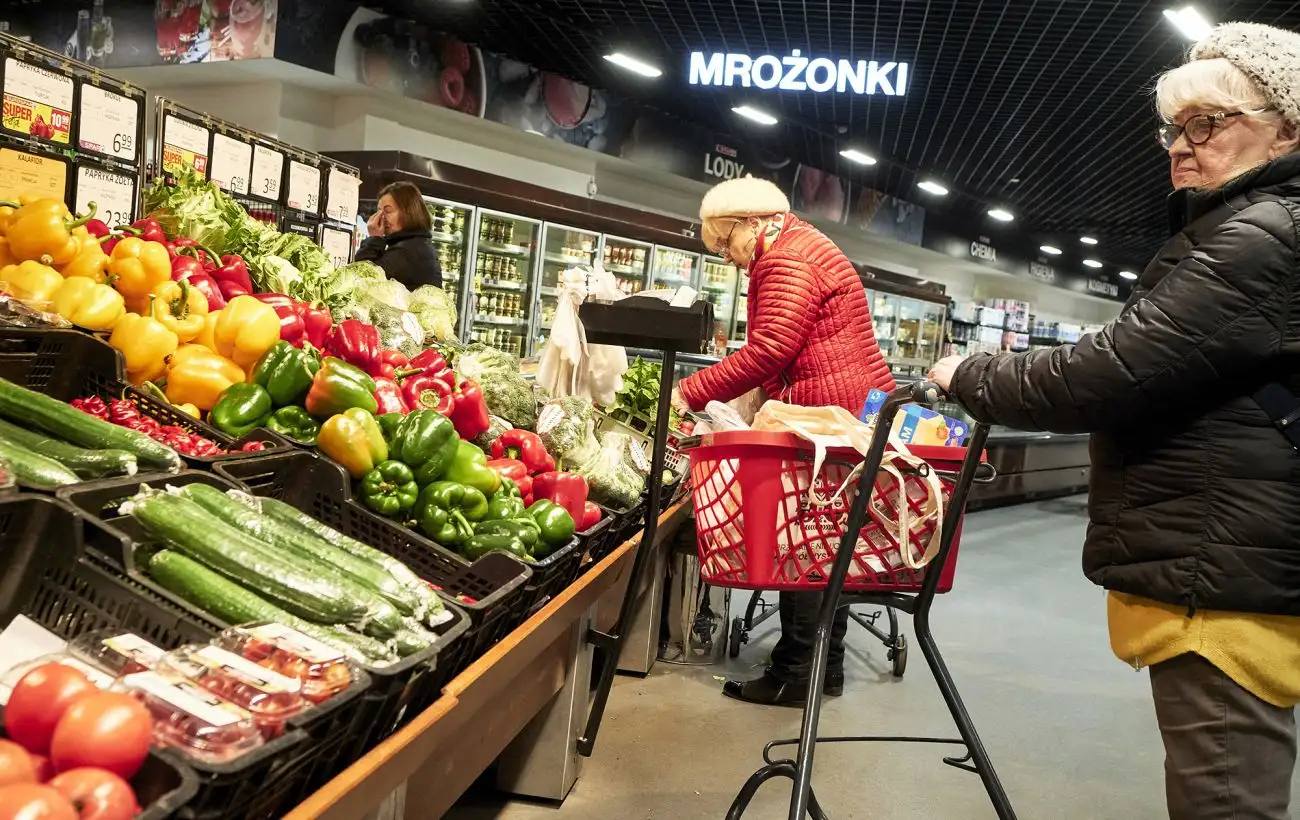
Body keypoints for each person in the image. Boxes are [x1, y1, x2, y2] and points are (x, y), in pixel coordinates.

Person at [928, 22, 1300, 819]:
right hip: (1229, 554)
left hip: (1220, 574)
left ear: (1289, 127)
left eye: (1207, 122)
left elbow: (1108, 373)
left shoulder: (1261, 236)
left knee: (1224, 794)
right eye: (1173, 126)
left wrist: (969, 373)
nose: (1180, 144)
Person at [670, 176, 894, 706]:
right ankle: (820, 669)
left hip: (825, 415)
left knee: (807, 542)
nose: (727, 256)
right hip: (844, 410)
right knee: (829, 543)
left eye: (725, 242)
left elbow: (772, 347)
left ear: (750, 222)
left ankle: (797, 671)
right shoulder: (801, 242)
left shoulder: (786, 258)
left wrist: (688, 392)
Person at [357, 181, 443, 289]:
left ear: (408, 212)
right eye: (379, 211)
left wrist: (375, 237)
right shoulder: (415, 243)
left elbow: (361, 278)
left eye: (387, 211)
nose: (381, 217)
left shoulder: (408, 250)